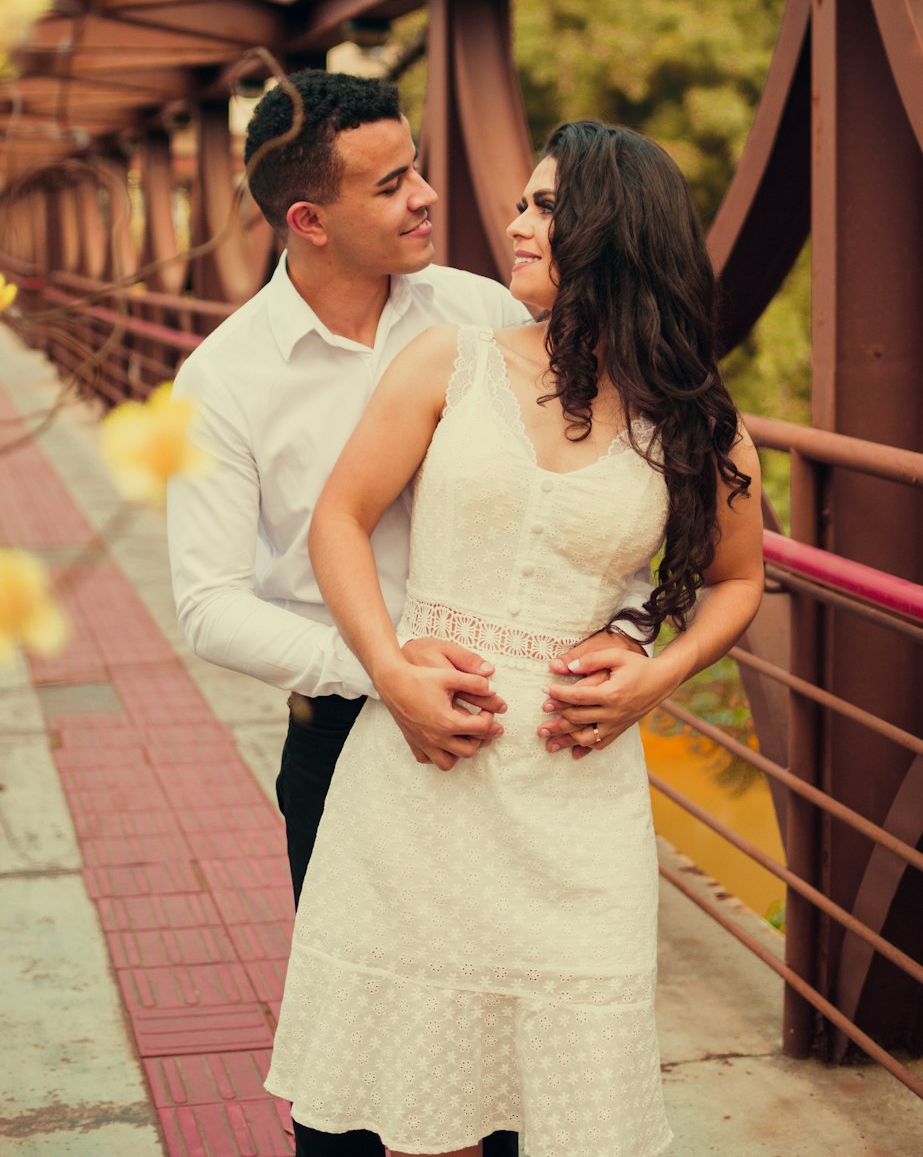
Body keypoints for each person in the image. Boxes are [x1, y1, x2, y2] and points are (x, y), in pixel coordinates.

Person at [167, 76, 650, 1157]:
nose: (430, 196)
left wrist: (626, 628)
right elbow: (207, 606)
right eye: (393, 185)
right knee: (366, 1098)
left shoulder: (484, 309)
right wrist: (380, 668)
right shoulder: (223, 383)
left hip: (525, 747)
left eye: (422, 164)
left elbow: (604, 482)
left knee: (515, 1079)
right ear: (308, 219)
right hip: (344, 736)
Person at [266, 120, 765, 1156]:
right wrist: (391, 670)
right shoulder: (449, 361)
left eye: (544, 207)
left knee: (560, 1113)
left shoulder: (694, 421)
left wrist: (656, 675)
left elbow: (736, 577)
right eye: (524, 202)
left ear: (611, 231)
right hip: (422, 781)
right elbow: (338, 520)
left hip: (573, 797)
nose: (513, 224)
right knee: (415, 1115)